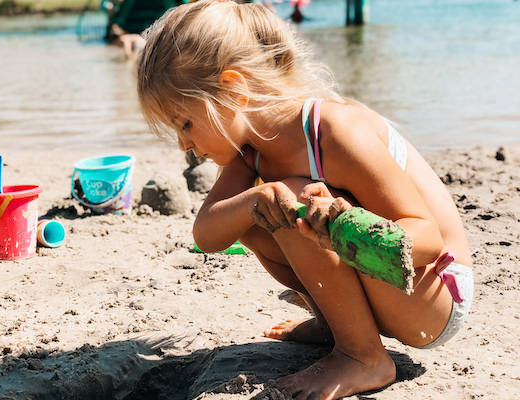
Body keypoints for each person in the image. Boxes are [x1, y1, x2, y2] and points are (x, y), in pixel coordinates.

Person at [136, 1, 474, 398]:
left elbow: (428, 241)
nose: (183, 145)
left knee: (290, 200)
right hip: (390, 286)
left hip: (434, 294)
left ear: (233, 90)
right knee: (259, 207)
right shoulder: (251, 151)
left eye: (186, 124)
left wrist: (346, 226)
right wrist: (256, 200)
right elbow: (207, 235)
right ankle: (339, 325)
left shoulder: (333, 131)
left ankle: (363, 357)